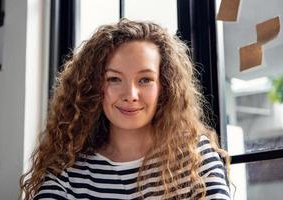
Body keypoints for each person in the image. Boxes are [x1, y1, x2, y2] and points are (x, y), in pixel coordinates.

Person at [20, 18, 231, 200]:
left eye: (145, 79)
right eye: (114, 79)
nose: (130, 95)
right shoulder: (66, 172)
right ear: (93, 87)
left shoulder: (196, 159)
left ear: (164, 87)